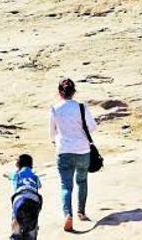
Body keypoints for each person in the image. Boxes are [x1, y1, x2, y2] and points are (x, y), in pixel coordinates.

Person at [50, 78, 97, 233]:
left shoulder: (55, 109)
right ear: (74, 92)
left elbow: (52, 132)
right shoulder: (82, 107)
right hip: (83, 149)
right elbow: (92, 127)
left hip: (64, 150)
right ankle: (81, 212)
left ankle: (67, 215)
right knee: (82, 181)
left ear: (59, 92)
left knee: (66, 185)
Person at [6, 154, 43, 240]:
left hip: (19, 200)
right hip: (34, 200)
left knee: (16, 225)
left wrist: (6, 174)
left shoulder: (16, 175)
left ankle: (16, 235)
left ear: (18, 165)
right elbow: (40, 186)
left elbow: (8, 175)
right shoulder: (35, 177)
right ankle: (31, 233)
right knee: (32, 228)